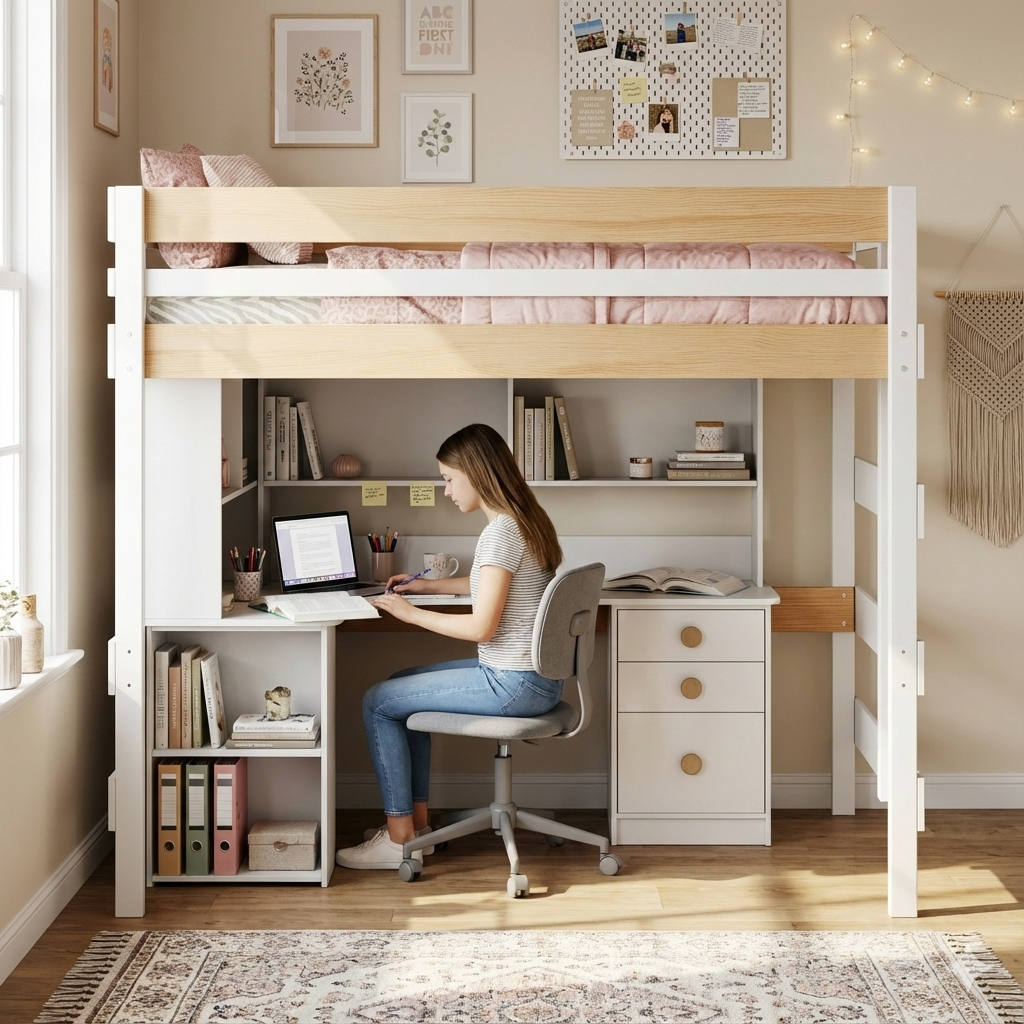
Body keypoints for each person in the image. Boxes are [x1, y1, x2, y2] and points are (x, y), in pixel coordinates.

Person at [335, 423, 564, 870]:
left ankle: (399, 839)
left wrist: (409, 613)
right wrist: (431, 587)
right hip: (535, 679)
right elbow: (494, 583)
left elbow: (482, 627)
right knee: (400, 685)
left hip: (512, 684)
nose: (445, 491)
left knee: (377, 701)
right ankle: (419, 830)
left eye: (447, 479)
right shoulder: (526, 520)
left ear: (475, 474)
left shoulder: (500, 532)